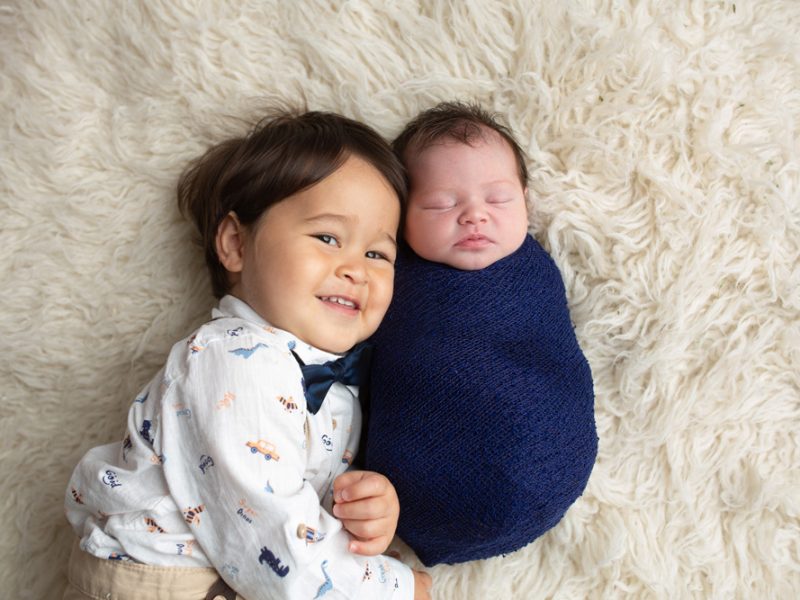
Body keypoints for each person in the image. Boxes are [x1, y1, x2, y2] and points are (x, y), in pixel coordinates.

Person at [63, 111, 432, 600]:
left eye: (378, 255)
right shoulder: (235, 360)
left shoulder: (331, 378)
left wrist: (363, 511)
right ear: (236, 244)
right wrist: (402, 590)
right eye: (327, 238)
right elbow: (275, 544)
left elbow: (288, 512)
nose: (355, 270)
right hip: (169, 582)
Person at [364, 102, 599, 566]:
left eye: (497, 199)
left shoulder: (534, 275)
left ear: (525, 201)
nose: (474, 216)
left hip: (545, 460)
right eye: (441, 203)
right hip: (404, 483)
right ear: (400, 214)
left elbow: (553, 359)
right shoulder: (389, 275)